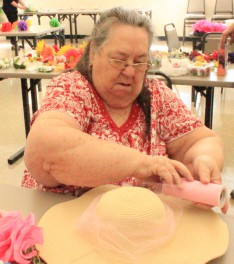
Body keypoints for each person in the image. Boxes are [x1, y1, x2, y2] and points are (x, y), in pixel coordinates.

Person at [22, 7, 224, 198]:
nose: (129, 71)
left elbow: (201, 140)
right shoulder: (73, 88)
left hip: (136, 227)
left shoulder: (156, 96)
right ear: (93, 53)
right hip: (66, 221)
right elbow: (44, 150)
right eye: (119, 59)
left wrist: (204, 159)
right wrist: (140, 164)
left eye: (139, 62)